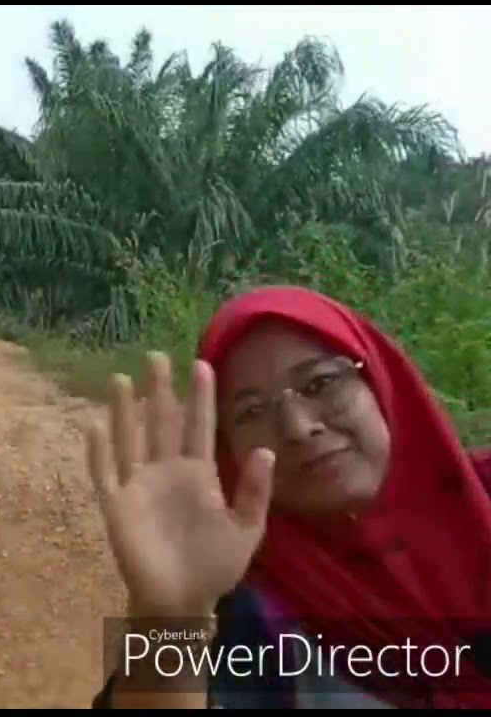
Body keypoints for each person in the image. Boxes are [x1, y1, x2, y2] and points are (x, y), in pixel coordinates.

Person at [87, 285, 491, 709]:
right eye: (252, 413)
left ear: (378, 380)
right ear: (228, 449)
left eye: (321, 383)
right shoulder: (253, 613)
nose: (298, 428)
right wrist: (170, 621)